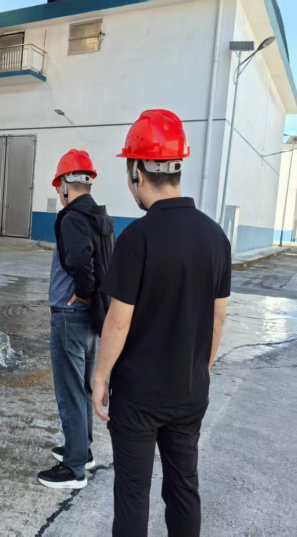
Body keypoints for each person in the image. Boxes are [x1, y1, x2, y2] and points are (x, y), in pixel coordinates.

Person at [92, 110, 231, 536]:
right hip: (190, 391)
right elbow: (218, 317)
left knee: (133, 494)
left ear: (136, 171)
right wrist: (199, 369)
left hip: (138, 396)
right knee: (184, 487)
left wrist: (100, 376)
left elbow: (118, 321)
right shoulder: (216, 237)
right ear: (177, 167)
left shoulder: (137, 238)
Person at [37, 150, 115, 490]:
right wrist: (93, 296)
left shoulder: (71, 217)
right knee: (83, 387)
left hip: (69, 317)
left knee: (70, 391)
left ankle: (73, 470)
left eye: (59, 187)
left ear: (66, 185)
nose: (59, 193)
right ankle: (81, 452)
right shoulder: (101, 217)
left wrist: (83, 291)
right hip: (91, 317)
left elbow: (82, 261)